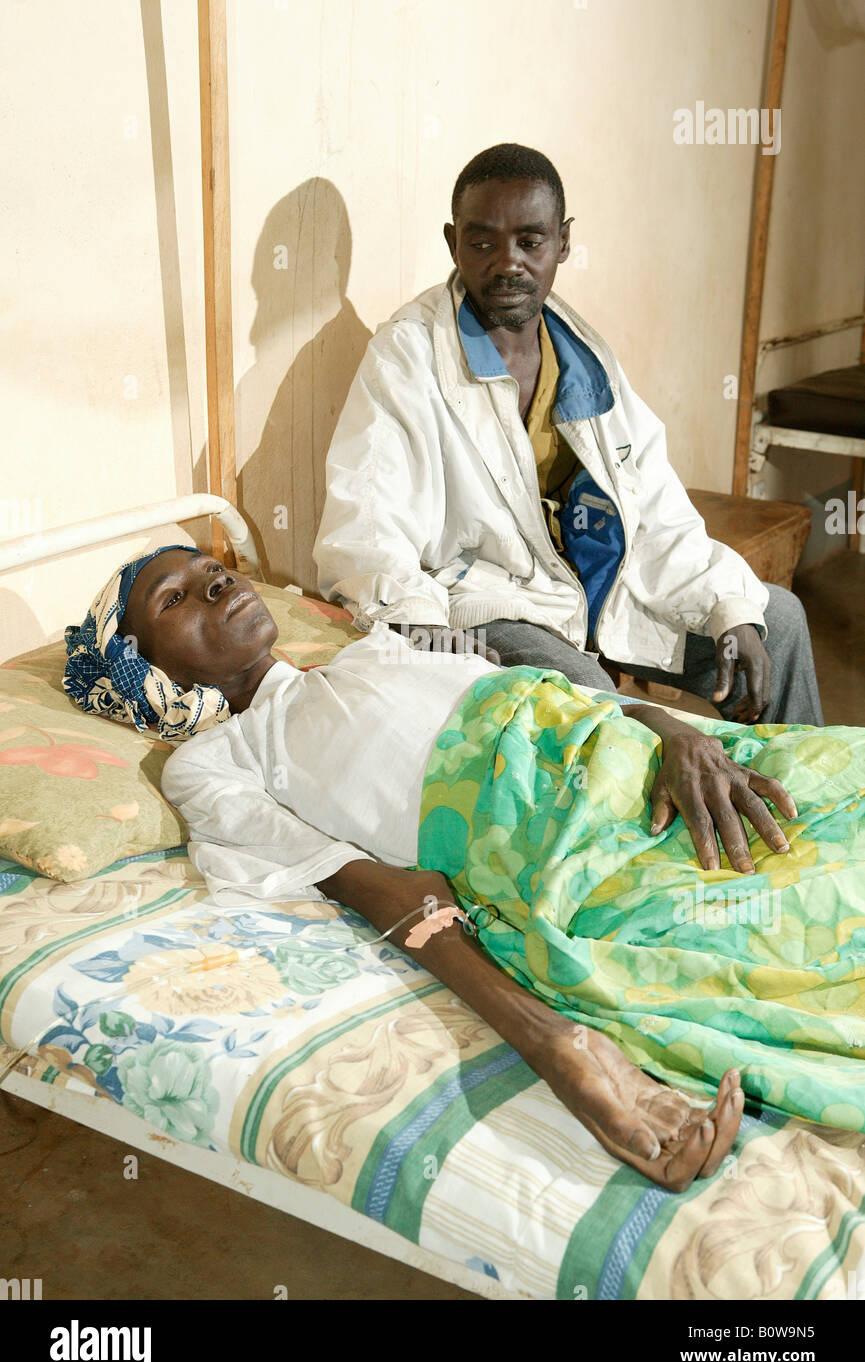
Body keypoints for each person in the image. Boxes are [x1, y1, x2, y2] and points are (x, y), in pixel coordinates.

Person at [64, 549, 865, 1193]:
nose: (216, 583)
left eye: (212, 572)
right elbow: (380, 888)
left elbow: (551, 696)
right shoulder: (214, 761)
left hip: (644, 760)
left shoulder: (369, 648)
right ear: (139, 665)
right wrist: (559, 1047)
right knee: (798, 926)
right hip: (553, 841)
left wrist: (677, 732)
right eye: (177, 598)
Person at [313, 143, 823, 728]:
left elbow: (652, 504)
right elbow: (366, 522)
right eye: (482, 243)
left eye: (531, 242)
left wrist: (727, 606)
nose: (508, 263)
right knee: (610, 707)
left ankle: (803, 804)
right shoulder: (407, 355)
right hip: (492, 603)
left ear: (563, 241)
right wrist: (415, 619)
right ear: (453, 242)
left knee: (773, 622)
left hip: (596, 587)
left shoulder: (582, 353)